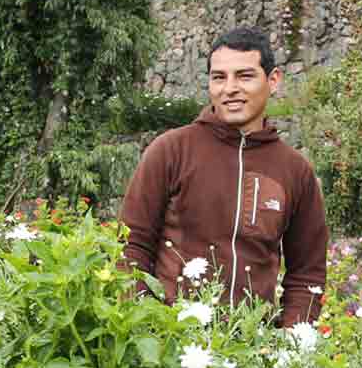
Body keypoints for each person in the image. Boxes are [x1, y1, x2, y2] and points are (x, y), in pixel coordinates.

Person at [119, 27, 329, 327]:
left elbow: (307, 274)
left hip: (252, 346)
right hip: (171, 339)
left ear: (273, 80)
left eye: (244, 76)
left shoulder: (295, 171)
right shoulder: (171, 151)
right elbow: (131, 246)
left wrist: (292, 340)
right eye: (219, 77)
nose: (230, 88)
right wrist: (146, 326)